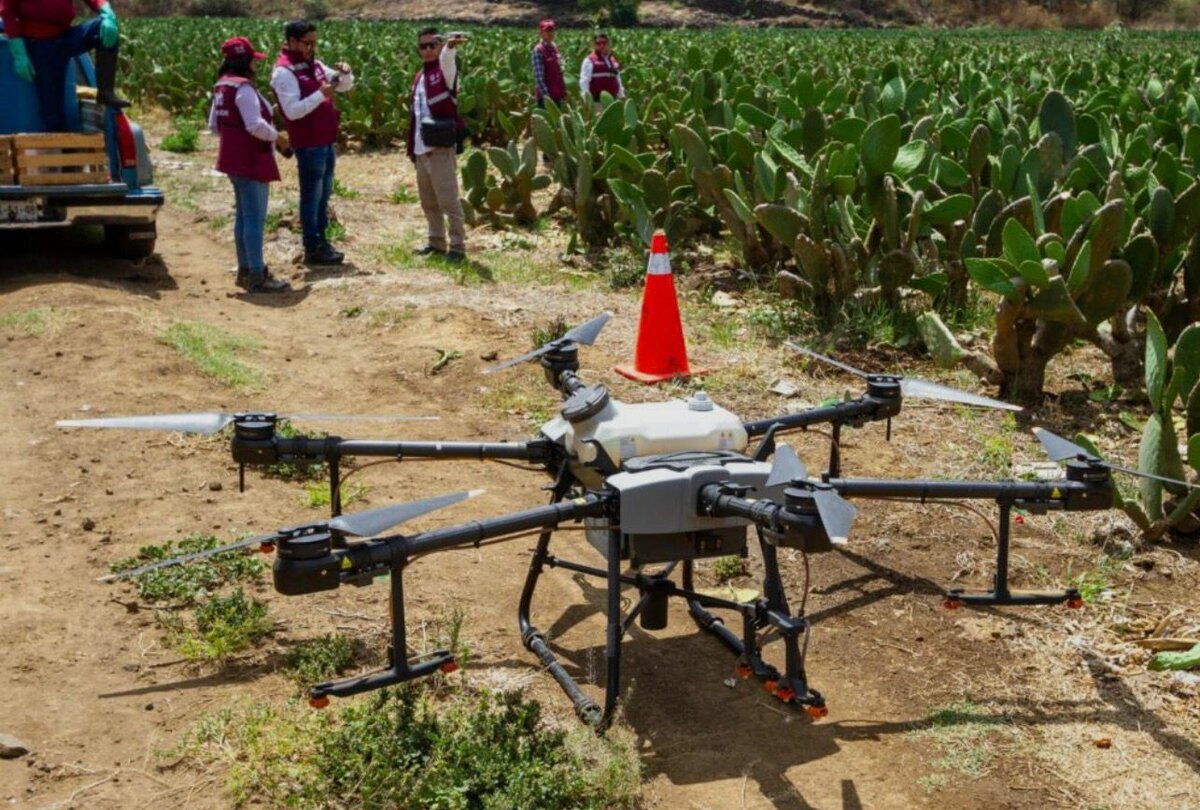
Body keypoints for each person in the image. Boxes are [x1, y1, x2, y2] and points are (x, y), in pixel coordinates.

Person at [208, 36, 291, 294]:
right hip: (252, 159)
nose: (256, 65)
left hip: (231, 159)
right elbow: (254, 125)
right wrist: (277, 137)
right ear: (244, 62)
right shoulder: (243, 88)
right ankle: (257, 274)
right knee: (255, 219)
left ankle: (245, 270)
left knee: (243, 218)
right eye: (253, 61)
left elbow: (214, 126)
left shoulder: (221, 85)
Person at [270, 19, 354, 267]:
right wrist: (321, 94)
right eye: (307, 43)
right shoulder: (284, 72)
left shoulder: (314, 64)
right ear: (292, 41)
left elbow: (343, 85)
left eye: (314, 43)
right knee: (311, 196)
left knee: (323, 195)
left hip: (325, 140)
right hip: (308, 144)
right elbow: (292, 110)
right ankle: (312, 246)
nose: (312, 48)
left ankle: (322, 242)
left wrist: (345, 74)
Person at [1, 0, 128, 132]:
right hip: (39, 44)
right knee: (52, 110)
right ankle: (57, 140)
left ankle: (106, 93)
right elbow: (6, 11)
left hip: (65, 36)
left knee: (105, 28)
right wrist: (18, 51)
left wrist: (106, 10)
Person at [407, 27, 467, 263]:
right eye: (423, 46)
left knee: (449, 201)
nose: (428, 50)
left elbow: (447, 61)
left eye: (433, 45)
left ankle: (458, 247)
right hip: (421, 148)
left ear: (440, 46)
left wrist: (450, 48)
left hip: (440, 148)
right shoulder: (420, 76)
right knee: (429, 202)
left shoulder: (445, 71)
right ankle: (436, 242)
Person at [579, 32, 624, 113]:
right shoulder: (589, 60)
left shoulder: (612, 60)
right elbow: (584, 81)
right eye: (598, 43)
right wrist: (586, 100)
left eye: (604, 43)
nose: (601, 45)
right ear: (594, 45)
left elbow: (617, 79)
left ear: (608, 44)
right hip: (596, 102)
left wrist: (622, 96)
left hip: (613, 100)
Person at [530, 18, 564, 109]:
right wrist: (547, 98)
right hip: (545, 98)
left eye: (552, 30)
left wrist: (563, 91)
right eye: (547, 31)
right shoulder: (538, 50)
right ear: (541, 33)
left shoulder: (555, 48)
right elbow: (539, 78)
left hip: (557, 95)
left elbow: (559, 72)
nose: (550, 33)